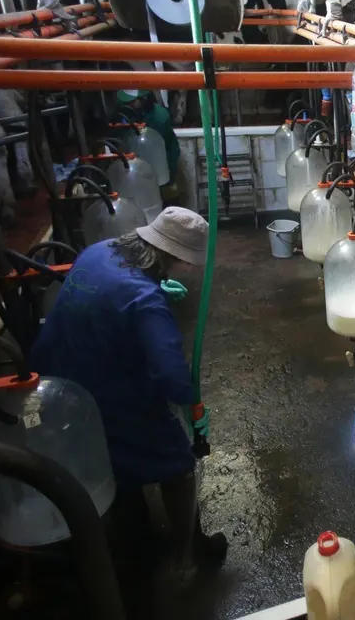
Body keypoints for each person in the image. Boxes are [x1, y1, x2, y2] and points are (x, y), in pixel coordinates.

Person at [30, 207, 226, 578]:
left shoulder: (99, 250)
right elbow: (171, 376)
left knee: (113, 458)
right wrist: (192, 403)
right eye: (188, 263)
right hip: (101, 388)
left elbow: (108, 298)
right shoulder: (146, 303)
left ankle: (137, 534)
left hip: (54, 375)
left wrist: (154, 286)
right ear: (175, 257)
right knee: (177, 464)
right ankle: (191, 553)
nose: (190, 270)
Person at [116, 89, 181, 202]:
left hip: (158, 172)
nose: (127, 106)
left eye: (131, 102)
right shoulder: (123, 116)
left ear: (143, 100)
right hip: (132, 173)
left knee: (164, 204)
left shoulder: (159, 118)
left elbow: (170, 149)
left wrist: (170, 175)